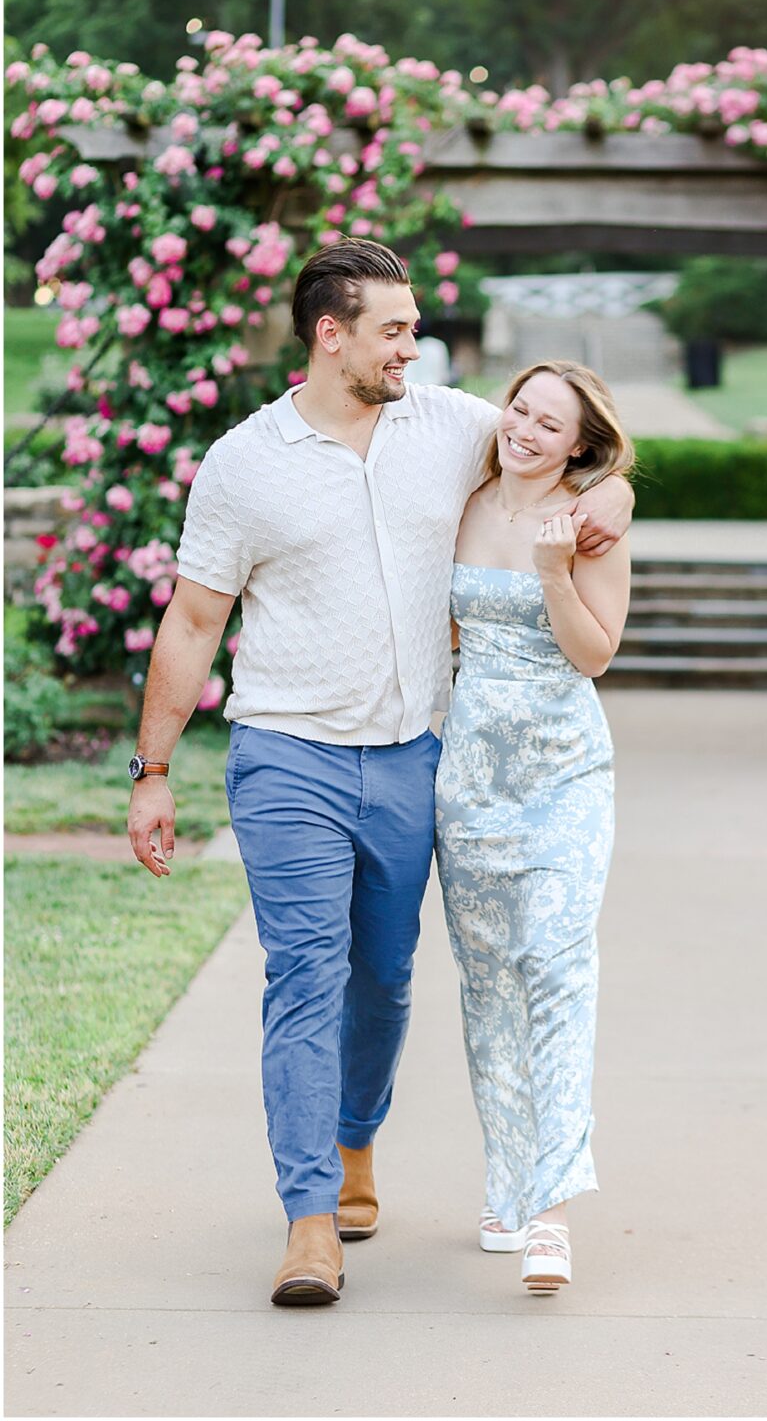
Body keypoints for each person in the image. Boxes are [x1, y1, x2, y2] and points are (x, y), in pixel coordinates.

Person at [125, 238, 632, 1307]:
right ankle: (311, 1222)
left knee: (385, 976)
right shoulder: (243, 462)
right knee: (303, 972)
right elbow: (194, 617)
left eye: (413, 329)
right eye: (394, 328)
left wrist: (614, 503)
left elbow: (572, 452)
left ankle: (354, 1139)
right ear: (330, 333)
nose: (413, 344)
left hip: (412, 761)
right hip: (286, 754)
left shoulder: (448, 426)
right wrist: (153, 768)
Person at [435, 360, 632, 1292]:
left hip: (563, 777)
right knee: (486, 989)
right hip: (469, 780)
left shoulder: (589, 523)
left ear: (579, 447)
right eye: (520, 408)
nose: (525, 429)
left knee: (555, 972)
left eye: (550, 425)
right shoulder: (461, 498)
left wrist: (555, 569)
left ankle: (550, 1210)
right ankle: (506, 1177)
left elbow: (594, 655)